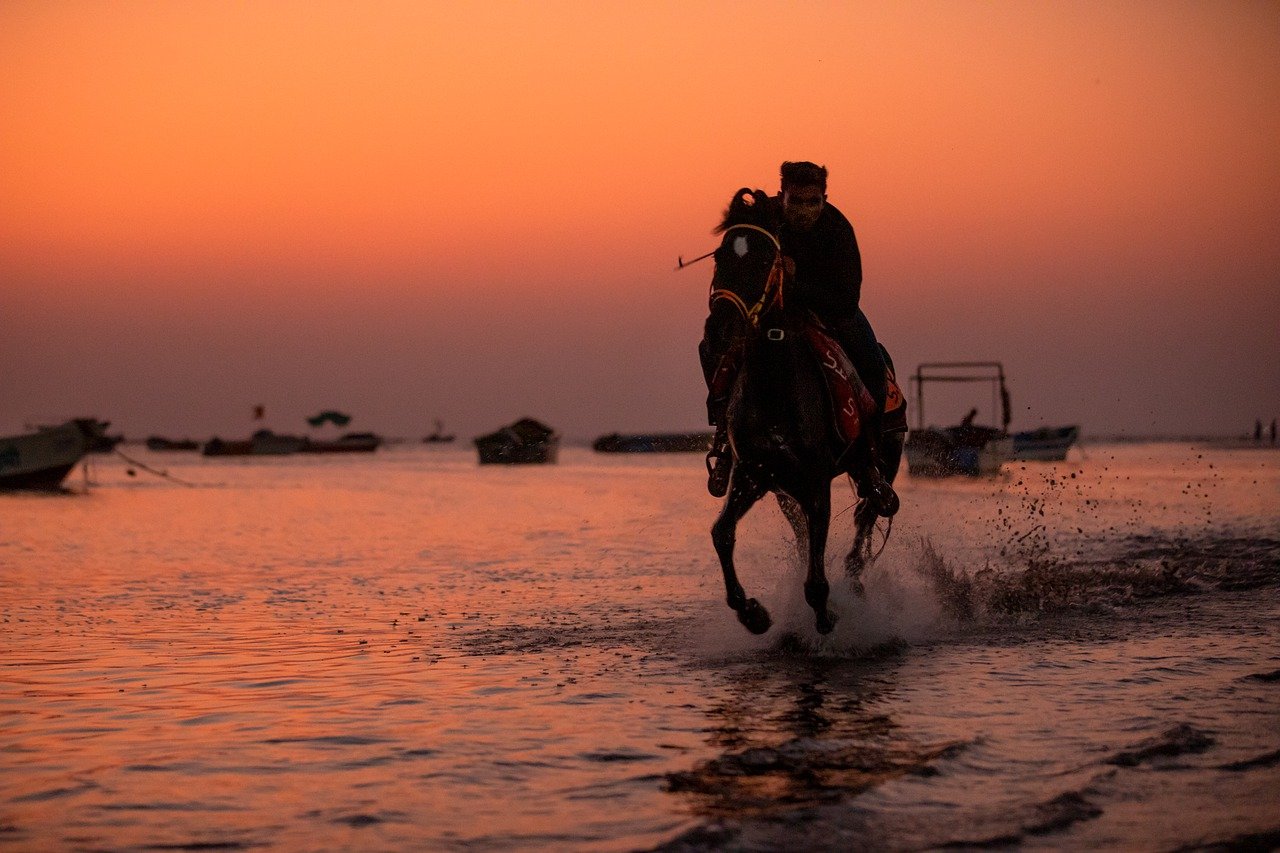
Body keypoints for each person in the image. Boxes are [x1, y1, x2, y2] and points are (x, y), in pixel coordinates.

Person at [700, 161, 896, 497]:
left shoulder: (838, 230)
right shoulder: (766, 218)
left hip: (831, 310)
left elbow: (847, 298)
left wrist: (794, 281)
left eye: (813, 202)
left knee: (874, 366)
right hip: (773, 310)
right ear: (782, 196)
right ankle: (725, 439)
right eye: (796, 202)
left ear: (824, 198)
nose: (804, 211)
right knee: (709, 347)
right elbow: (739, 256)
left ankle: (869, 463)